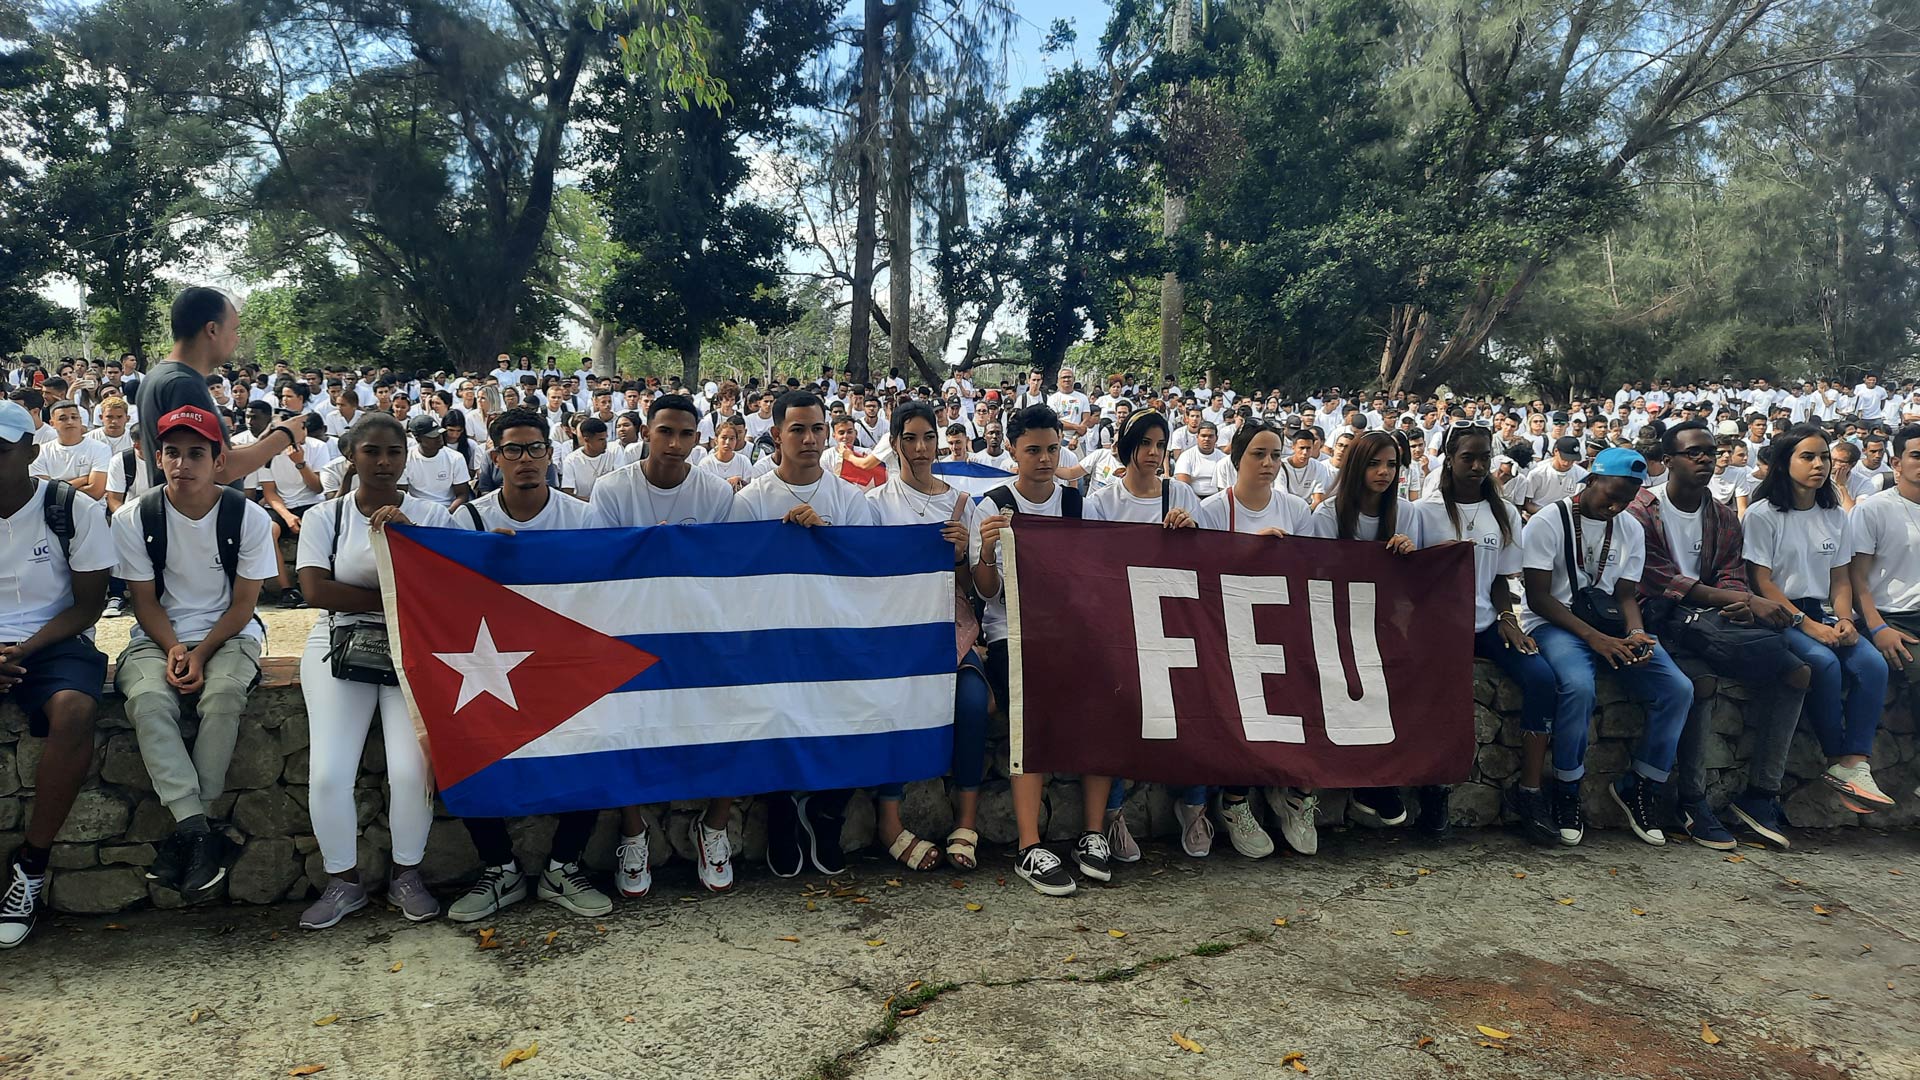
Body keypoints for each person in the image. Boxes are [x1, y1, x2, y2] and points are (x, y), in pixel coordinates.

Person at [446, 408, 614, 923]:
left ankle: (564, 866)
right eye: (513, 450)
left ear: (550, 453)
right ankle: (501, 869)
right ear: (495, 458)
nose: (526, 459)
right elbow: (446, 604)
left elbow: (603, 596)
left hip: (560, 662)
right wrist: (481, 565)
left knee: (596, 738)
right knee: (463, 745)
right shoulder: (468, 520)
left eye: (535, 448)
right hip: (490, 663)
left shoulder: (582, 518)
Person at [296, 414, 455, 930]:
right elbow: (316, 590)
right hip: (341, 640)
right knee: (328, 774)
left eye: (393, 452)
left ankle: (407, 875)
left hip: (414, 645)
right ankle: (343, 882)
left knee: (412, 770)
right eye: (372, 452)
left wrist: (409, 548)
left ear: (407, 457)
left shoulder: (432, 516)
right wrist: (395, 597)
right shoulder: (328, 517)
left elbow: (449, 589)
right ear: (352, 455)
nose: (383, 462)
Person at [112, 406, 276, 899]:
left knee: (224, 695)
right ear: (158, 458)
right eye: (173, 453)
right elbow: (143, 601)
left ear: (219, 459)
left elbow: (245, 604)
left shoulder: (246, 516)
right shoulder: (134, 517)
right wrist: (174, 648)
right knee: (147, 700)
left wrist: (201, 652)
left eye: (196, 453)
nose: (184, 464)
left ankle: (188, 832)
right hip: (156, 633)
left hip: (230, 633)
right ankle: (199, 831)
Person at [1626, 420, 1808, 851]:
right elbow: (1658, 578)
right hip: (1661, 622)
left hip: (1715, 622)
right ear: (1667, 461)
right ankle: (1691, 799)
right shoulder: (1640, 512)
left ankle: (1761, 795)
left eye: (1711, 451)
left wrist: (1742, 602)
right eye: (1694, 452)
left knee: (1797, 672)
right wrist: (1736, 599)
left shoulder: (1723, 516)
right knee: (1700, 684)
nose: (1707, 458)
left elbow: (1732, 573)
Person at [593, 394, 742, 894]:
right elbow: (601, 575)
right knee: (619, 717)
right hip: (632, 630)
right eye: (665, 432)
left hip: (700, 629)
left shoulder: (718, 494)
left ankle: (715, 824)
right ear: (644, 432)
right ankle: (633, 828)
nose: (675, 444)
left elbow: (733, 570)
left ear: (697, 439)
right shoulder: (611, 490)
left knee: (741, 707)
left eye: (685, 434)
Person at [731, 392, 877, 878]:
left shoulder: (850, 499)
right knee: (770, 708)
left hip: (836, 639)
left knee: (871, 705)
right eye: (797, 429)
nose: (809, 439)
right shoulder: (749, 502)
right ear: (777, 435)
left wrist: (824, 538)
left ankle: (828, 809)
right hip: (770, 642)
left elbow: (866, 572)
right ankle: (779, 811)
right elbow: (735, 580)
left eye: (817, 428)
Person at [971, 405, 1112, 896]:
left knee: (1107, 702)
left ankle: (1094, 832)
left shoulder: (1078, 505)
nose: (1046, 458)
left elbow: (1095, 577)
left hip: (1072, 632)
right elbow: (987, 592)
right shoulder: (990, 505)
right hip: (1014, 631)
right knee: (1023, 718)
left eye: (1053, 448)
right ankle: (1030, 844)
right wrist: (987, 551)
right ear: (1013, 450)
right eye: (1034, 450)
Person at [1521, 447, 1693, 847]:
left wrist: (1635, 634)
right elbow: (1539, 598)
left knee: (1677, 688)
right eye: (1610, 495)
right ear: (1591, 480)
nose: (1615, 506)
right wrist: (1594, 639)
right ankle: (1567, 788)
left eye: (1627, 499)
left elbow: (1627, 595)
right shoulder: (1551, 520)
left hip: (1609, 624)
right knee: (1578, 687)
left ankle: (1641, 783)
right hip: (1555, 623)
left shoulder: (1629, 527)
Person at [0, 401, 113, 948]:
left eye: (0, 449)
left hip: (54, 637)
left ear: (29, 450)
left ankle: (31, 866)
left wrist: (22, 649)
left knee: (75, 709)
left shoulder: (70, 508)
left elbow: (88, 605)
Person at [1414, 422, 1560, 846]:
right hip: (1440, 626)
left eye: (1484, 457)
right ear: (1449, 459)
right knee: (1444, 694)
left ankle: (1529, 792)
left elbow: (1499, 578)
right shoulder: (1426, 511)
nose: (1478, 466)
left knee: (1541, 679)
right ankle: (1436, 790)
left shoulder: (1505, 513)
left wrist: (1507, 617)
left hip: (1486, 622)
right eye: (1468, 457)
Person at [866, 402, 992, 872]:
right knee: (895, 701)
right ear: (895, 442)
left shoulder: (963, 504)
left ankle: (966, 820)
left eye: (928, 438)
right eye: (910, 438)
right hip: (896, 631)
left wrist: (961, 555)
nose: (920, 449)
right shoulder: (875, 505)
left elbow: (981, 588)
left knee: (973, 703)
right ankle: (889, 820)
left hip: (950, 628)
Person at [1744, 424, 1895, 814]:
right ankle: (1835, 758)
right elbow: (1761, 581)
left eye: (1824, 456)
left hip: (1822, 613)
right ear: (1784, 462)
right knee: (1823, 663)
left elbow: (1839, 577)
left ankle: (1854, 762)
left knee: (1872, 665)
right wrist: (1805, 625)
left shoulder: (1834, 514)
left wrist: (1844, 619)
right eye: (1807, 456)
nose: (1819, 465)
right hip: (1778, 614)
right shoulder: (1763, 514)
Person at [1086, 410, 1210, 855]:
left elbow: (1209, 562)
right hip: (1121, 626)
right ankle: (1114, 813)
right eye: (1146, 444)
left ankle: (1195, 804)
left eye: (1161, 444)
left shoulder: (1181, 495)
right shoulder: (1102, 501)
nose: (1154, 453)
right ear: (1128, 446)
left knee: (1200, 699)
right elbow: (1091, 566)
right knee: (1120, 705)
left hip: (1174, 622)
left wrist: (1191, 534)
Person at [1195, 419, 1315, 857]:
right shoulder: (1211, 510)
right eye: (1258, 454)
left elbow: (1315, 571)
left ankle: (1295, 794)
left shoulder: (1296, 509)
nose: (1268, 464)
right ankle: (1235, 800)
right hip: (1229, 632)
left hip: (1283, 628)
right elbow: (1201, 579)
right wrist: (1249, 550)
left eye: (1275, 455)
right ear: (1237, 457)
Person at [1307, 431, 1435, 830]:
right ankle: (1365, 780)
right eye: (1374, 464)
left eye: (1392, 465)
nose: (1383, 473)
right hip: (1337, 624)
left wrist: (1407, 557)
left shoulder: (1408, 514)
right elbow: (1314, 576)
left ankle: (1383, 778)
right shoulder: (1327, 515)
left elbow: (1423, 580)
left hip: (1389, 625)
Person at [137, 288, 305, 485]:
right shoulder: (182, 384)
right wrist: (286, 436)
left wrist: (262, 442)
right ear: (212, 330)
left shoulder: (160, 376)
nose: (237, 338)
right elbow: (220, 470)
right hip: (197, 515)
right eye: (234, 329)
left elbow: (213, 456)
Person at [27, 400, 108, 500]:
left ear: (80, 421)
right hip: (52, 510)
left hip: (90, 509)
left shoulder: (100, 448)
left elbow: (95, 492)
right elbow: (43, 492)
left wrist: (57, 488)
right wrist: (83, 480)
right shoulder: (41, 451)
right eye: (63, 419)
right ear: (52, 423)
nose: (70, 422)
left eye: (74, 417)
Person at [399, 413, 474, 509]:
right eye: (432, 436)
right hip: (417, 509)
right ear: (418, 439)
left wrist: (447, 514)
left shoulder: (455, 458)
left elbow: (463, 494)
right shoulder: (405, 459)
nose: (439, 437)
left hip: (448, 509)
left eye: (439, 433)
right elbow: (402, 494)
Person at [560, 416, 620, 500]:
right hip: (584, 507)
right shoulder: (571, 460)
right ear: (587, 440)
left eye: (606, 438)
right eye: (601, 439)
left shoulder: (613, 453)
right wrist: (593, 502)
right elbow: (567, 494)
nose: (605, 443)